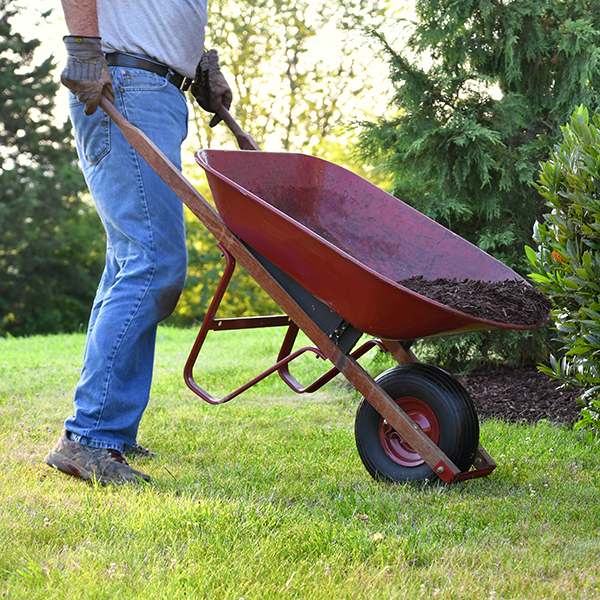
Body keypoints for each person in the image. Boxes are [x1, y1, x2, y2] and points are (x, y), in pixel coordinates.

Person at [44, 0, 232, 485]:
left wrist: (198, 61)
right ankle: (89, 438)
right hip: (124, 82)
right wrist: (83, 46)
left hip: (158, 89)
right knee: (153, 265)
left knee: (131, 262)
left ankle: (108, 431)